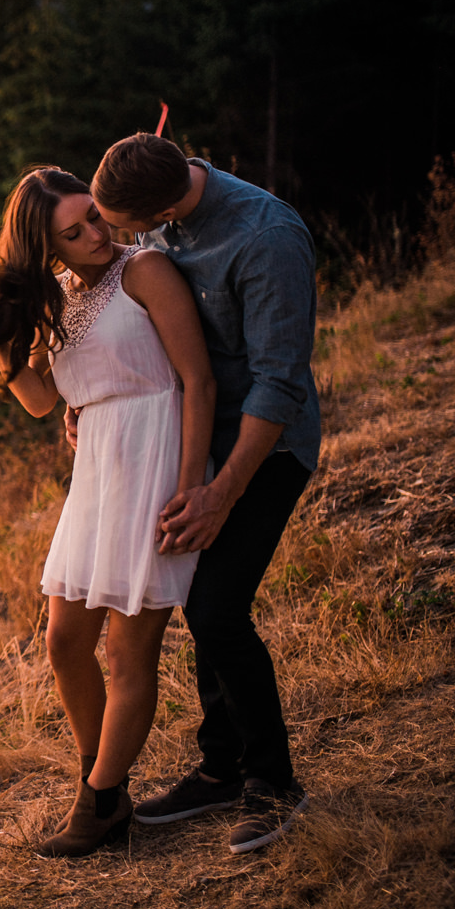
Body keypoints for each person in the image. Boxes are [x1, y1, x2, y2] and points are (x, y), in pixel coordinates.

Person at [0, 166, 215, 858]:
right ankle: (107, 786)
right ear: (47, 248)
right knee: (64, 642)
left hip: (157, 459)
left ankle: (96, 803)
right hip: (96, 474)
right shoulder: (59, 295)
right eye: (75, 230)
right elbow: (36, 400)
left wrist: (191, 487)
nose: (97, 233)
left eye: (94, 216)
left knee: (129, 652)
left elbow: (198, 380)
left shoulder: (144, 269)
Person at [86, 132, 321, 854]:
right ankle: (220, 770)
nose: (117, 239)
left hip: (262, 445)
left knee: (218, 608)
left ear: (161, 200)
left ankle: (273, 783)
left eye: (122, 226)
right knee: (199, 597)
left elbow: (279, 384)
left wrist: (221, 492)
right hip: (192, 441)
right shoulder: (161, 212)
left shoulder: (267, 236)